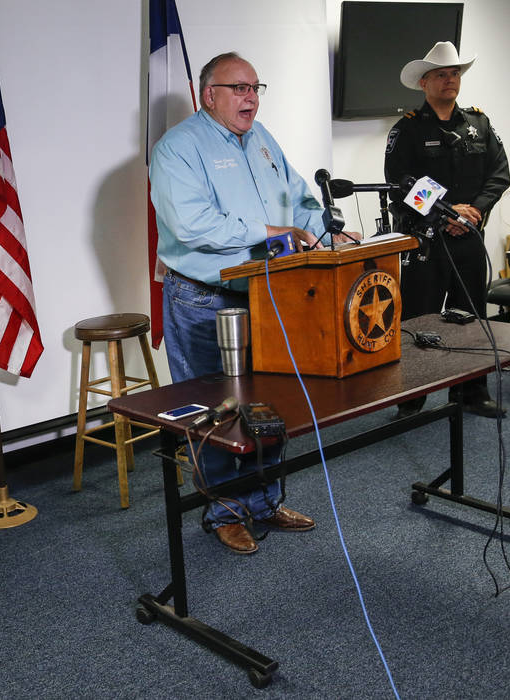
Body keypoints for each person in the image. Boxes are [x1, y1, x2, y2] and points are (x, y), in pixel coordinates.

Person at [150, 52, 345, 555]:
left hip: (269, 292)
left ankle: (263, 500)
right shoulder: (177, 148)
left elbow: (300, 199)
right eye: (238, 88)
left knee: (270, 405)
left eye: (256, 86)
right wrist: (271, 231)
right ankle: (225, 511)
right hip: (202, 298)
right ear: (207, 94)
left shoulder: (262, 140)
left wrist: (328, 232)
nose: (251, 97)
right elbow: (191, 224)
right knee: (215, 412)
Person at [385, 41, 510, 419]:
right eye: (441, 74)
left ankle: (470, 393)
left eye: (454, 73)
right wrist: (445, 213)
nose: (450, 80)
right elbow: (399, 184)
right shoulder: (406, 129)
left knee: (471, 317)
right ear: (424, 83)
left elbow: (499, 175)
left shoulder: (479, 124)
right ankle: (412, 396)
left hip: (469, 238)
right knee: (419, 318)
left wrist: (474, 213)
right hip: (427, 241)